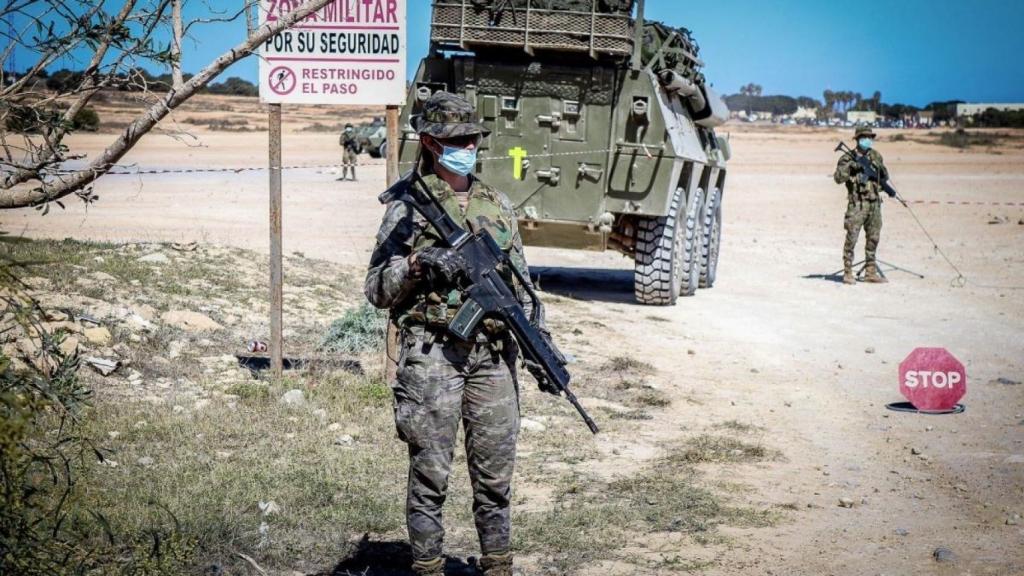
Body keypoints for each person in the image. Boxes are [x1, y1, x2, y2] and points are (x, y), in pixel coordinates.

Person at [364, 91, 555, 576]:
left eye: (472, 138)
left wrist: (540, 353)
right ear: (430, 142)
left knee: (495, 474)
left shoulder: (497, 203)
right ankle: (427, 567)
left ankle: (497, 564)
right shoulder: (408, 207)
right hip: (432, 357)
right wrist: (414, 263)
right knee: (430, 472)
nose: (466, 145)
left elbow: (523, 289)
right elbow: (375, 289)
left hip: (492, 357)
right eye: (455, 139)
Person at [834, 125, 890, 285]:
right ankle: (847, 272)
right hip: (857, 204)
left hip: (874, 203)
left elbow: (884, 176)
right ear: (857, 139)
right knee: (852, 238)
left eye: (870, 137)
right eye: (864, 137)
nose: (868, 140)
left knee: (873, 238)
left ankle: (870, 272)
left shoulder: (876, 156)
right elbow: (838, 178)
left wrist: (880, 172)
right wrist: (851, 167)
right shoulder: (847, 157)